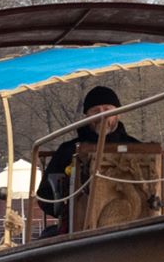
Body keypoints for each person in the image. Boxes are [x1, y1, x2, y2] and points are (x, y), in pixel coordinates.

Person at [36, 85, 141, 237]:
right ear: (87, 116)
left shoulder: (137, 148)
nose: (102, 116)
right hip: (79, 233)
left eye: (107, 110)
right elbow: (44, 196)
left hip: (134, 230)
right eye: (96, 111)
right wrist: (68, 212)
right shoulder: (68, 150)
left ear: (118, 114)